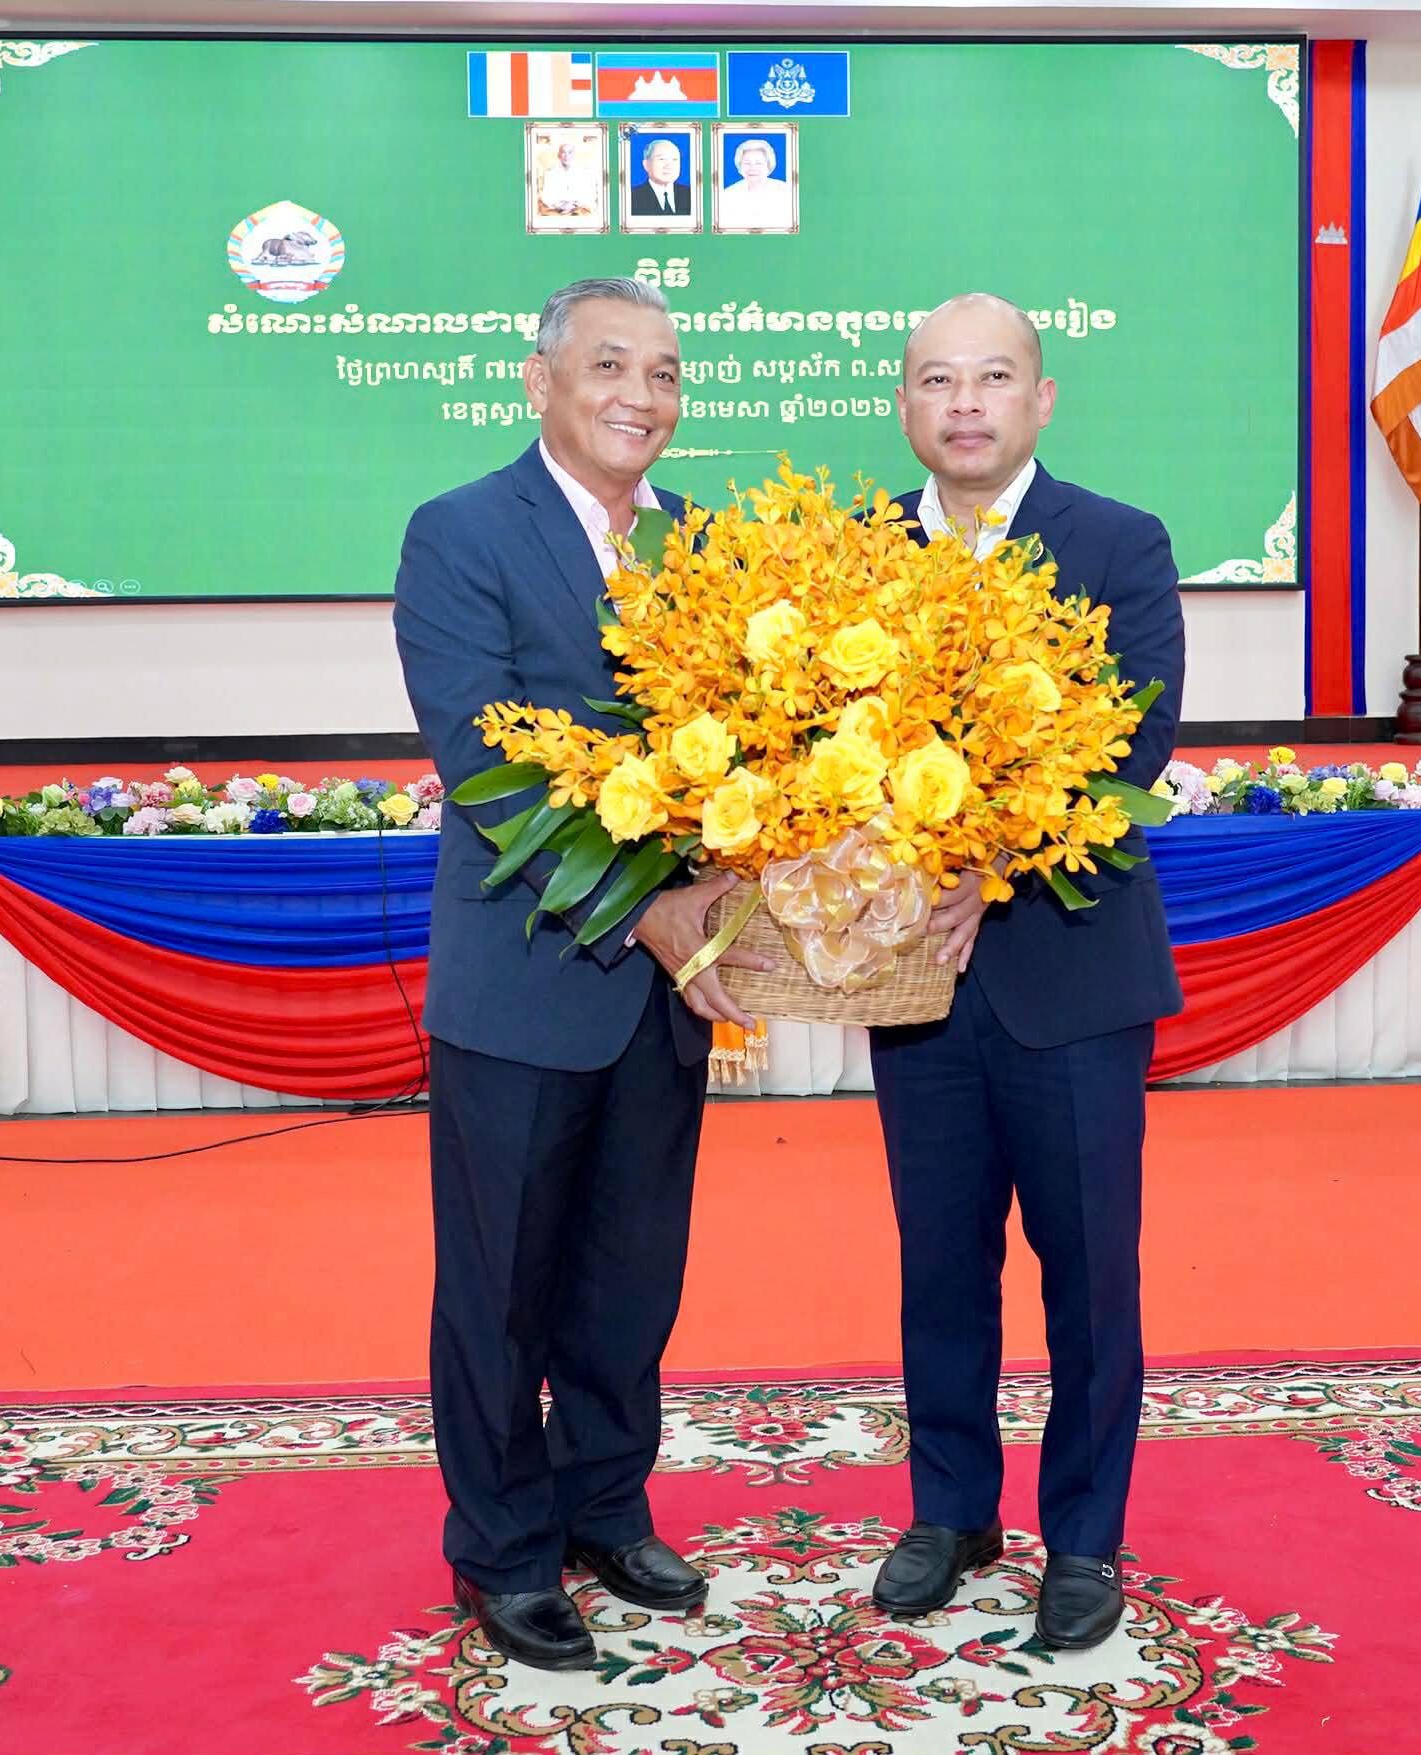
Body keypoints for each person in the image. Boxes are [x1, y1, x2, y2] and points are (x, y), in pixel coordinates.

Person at [393, 277, 772, 1674]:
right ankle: (501, 1546)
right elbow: (487, 764)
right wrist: (650, 911)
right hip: (523, 980)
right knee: (500, 1287)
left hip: (663, 1000)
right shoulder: (461, 531)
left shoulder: (699, 545)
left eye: (664, 372)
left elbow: (746, 744)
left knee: (628, 1277)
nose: (641, 395)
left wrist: (743, 873)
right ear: (539, 379)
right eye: (611, 365)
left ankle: (606, 1506)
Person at [866, 292, 1186, 1651]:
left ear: (1039, 397)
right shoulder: (859, 555)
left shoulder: (1116, 541)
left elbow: (1134, 744)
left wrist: (989, 862)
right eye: (937, 380)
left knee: (1087, 1273)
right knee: (939, 1263)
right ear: (905, 404)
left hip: (1069, 970)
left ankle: (1084, 1534)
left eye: (992, 377)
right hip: (914, 979)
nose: (965, 404)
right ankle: (949, 1510)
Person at [714, 137, 792, 230]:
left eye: (758, 163)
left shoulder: (786, 191)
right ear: (739, 167)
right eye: (747, 163)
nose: (752, 168)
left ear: (768, 166)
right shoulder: (727, 194)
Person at [630, 137, 691, 217]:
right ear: (646, 164)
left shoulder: (691, 194)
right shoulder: (631, 197)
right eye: (662, 159)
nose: (668, 165)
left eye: (674, 160)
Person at [537, 140, 594, 216]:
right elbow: (546, 196)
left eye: (570, 152)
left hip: (577, 209)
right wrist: (561, 205)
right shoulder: (550, 173)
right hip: (556, 209)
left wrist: (574, 205)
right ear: (559, 155)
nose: (567, 156)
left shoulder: (583, 173)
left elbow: (588, 195)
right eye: (563, 152)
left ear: (574, 155)